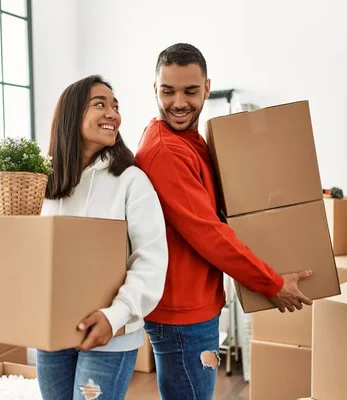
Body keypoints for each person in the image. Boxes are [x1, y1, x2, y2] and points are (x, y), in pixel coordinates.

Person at [134, 43, 313, 399]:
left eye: (191, 91)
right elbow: (209, 234)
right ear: (155, 89)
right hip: (182, 314)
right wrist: (270, 282)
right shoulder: (166, 151)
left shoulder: (190, 142)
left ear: (207, 88)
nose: (179, 102)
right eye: (168, 91)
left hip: (195, 305)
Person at [37, 75, 169, 400]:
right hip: (52, 331)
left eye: (115, 106)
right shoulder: (46, 182)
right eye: (100, 104)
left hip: (111, 333)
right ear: (72, 114)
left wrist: (115, 316)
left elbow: (151, 260)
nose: (113, 114)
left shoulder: (131, 180)